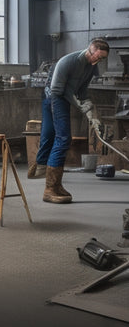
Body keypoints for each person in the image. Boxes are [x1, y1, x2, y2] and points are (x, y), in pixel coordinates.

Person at [27, 38, 109, 204]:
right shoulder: (68, 62)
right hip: (55, 96)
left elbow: (83, 92)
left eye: (102, 59)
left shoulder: (91, 68)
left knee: (51, 134)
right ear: (90, 50)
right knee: (63, 138)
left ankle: (49, 177)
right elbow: (58, 90)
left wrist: (92, 115)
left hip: (64, 97)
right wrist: (80, 106)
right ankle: (50, 188)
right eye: (97, 57)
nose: (98, 61)